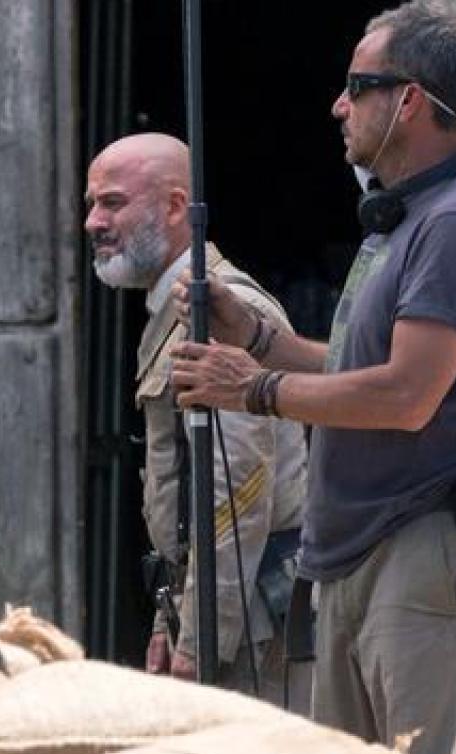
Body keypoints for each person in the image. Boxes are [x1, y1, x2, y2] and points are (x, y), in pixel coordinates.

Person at [171, 4, 456, 754]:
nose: (338, 106)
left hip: (426, 551)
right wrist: (258, 338)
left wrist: (256, 389)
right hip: (365, 555)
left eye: (356, 87)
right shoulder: (404, 224)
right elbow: (354, 368)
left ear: (409, 102)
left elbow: (407, 396)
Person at [83, 133, 309, 710]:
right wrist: (172, 618)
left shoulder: (222, 310)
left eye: (112, 203)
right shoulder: (175, 307)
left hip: (253, 625)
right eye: (92, 204)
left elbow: (237, 495)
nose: (93, 222)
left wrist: (202, 642)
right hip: (221, 609)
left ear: (176, 207)